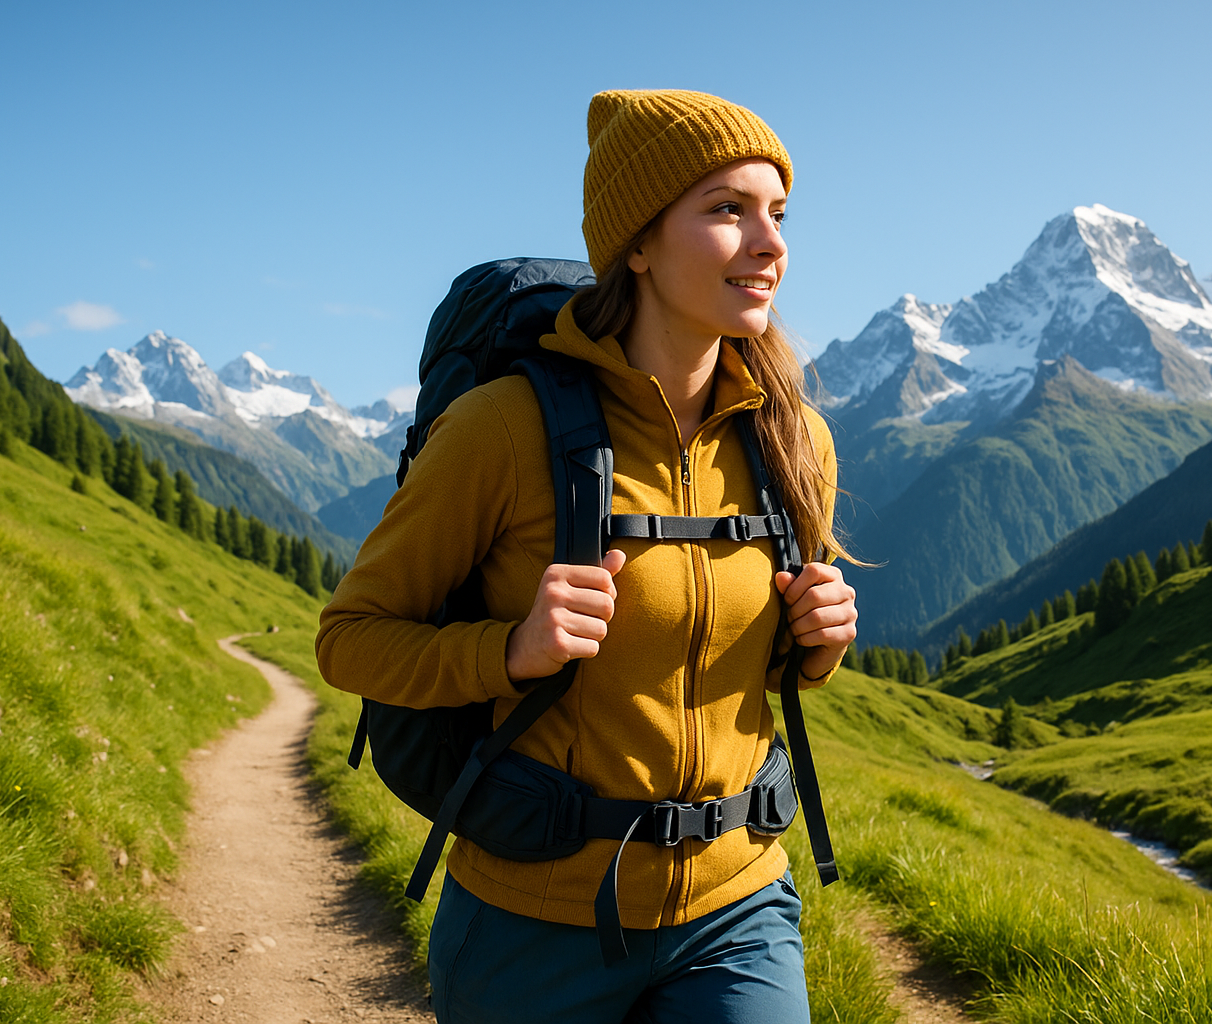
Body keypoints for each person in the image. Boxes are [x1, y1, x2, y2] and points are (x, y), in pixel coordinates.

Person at [316, 88, 858, 1023]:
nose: (769, 244)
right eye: (727, 210)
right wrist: (509, 653)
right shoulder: (502, 428)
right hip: (535, 920)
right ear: (637, 244)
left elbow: (742, 673)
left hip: (739, 905)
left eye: (777, 213)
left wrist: (818, 641)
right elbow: (350, 640)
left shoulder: (792, 439)